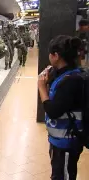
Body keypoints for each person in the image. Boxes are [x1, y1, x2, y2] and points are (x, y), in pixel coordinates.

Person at [38, 35, 84, 180]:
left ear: (56, 56)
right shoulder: (67, 74)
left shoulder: (70, 81)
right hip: (62, 139)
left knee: (62, 176)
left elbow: (53, 111)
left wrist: (42, 88)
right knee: (60, 173)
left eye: (51, 54)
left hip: (67, 142)